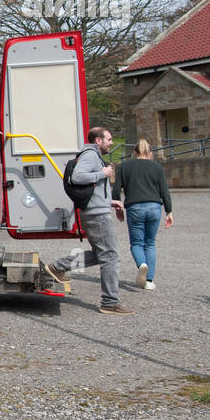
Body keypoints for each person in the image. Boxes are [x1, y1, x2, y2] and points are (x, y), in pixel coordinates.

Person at [43, 126, 133, 314]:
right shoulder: (91, 155)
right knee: (110, 256)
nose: (111, 142)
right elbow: (78, 177)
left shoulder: (92, 155)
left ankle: (58, 267)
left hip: (95, 212)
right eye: (108, 139)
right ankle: (110, 302)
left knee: (102, 254)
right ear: (98, 141)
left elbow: (94, 190)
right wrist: (104, 173)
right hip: (97, 216)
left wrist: (110, 202)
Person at [113, 139, 173, 290]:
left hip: (134, 207)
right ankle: (149, 280)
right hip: (154, 207)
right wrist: (169, 211)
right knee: (150, 243)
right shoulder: (157, 167)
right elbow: (164, 191)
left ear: (134, 152)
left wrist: (118, 208)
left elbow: (116, 190)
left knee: (136, 243)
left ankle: (142, 264)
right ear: (150, 153)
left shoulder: (125, 166)